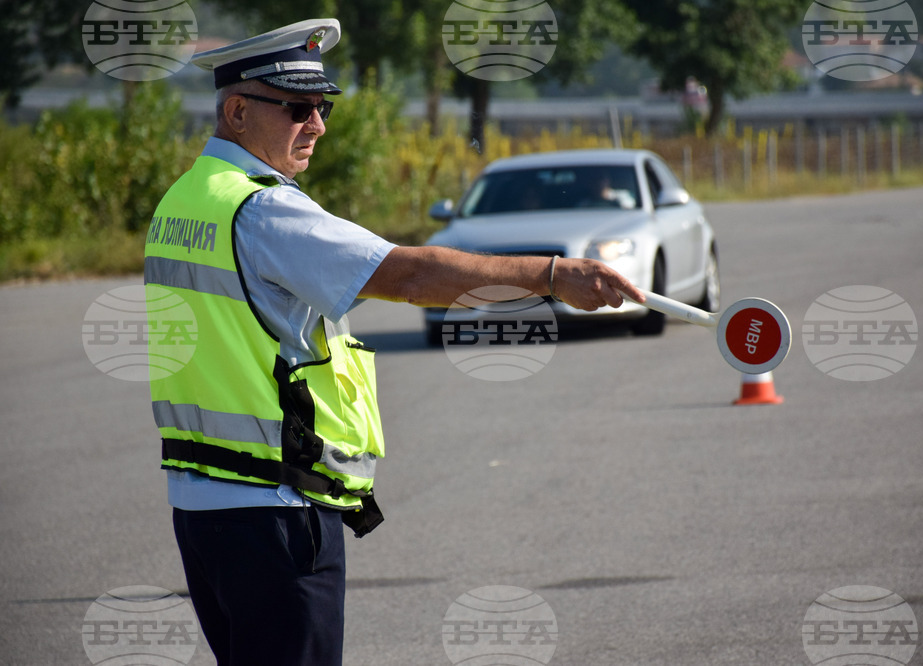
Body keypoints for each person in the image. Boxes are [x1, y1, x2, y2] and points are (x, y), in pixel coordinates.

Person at [144, 18, 644, 666]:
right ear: (237, 110)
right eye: (298, 108)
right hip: (274, 509)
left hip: (201, 505)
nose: (317, 125)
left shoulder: (183, 202)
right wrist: (551, 275)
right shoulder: (264, 209)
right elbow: (408, 275)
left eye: (321, 107)